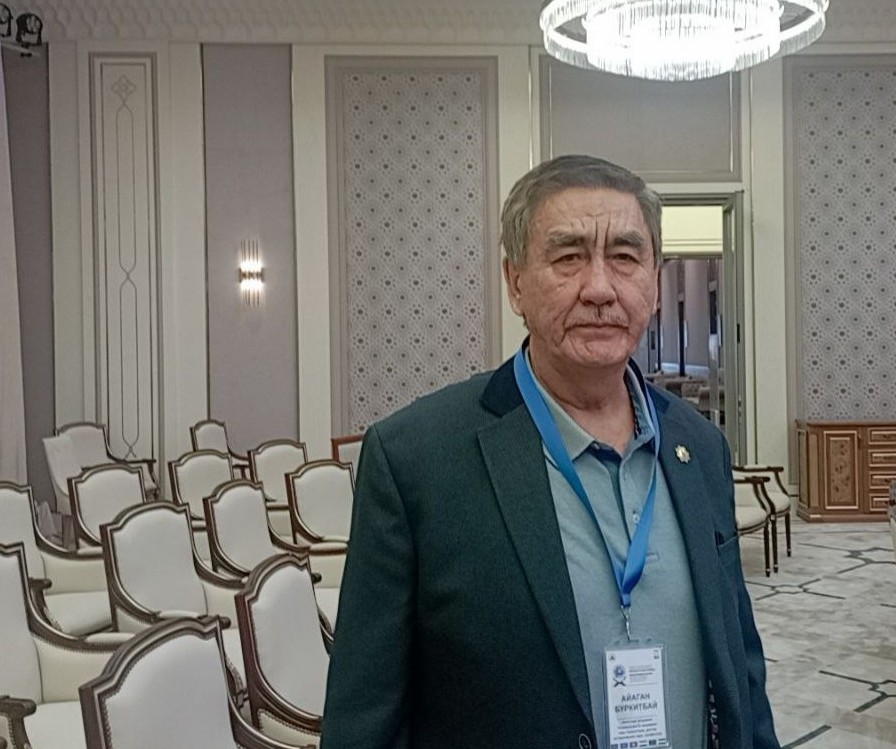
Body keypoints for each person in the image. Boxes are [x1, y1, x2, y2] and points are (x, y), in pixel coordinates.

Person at [321, 154, 778, 749]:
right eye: (568, 258)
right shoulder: (415, 459)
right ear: (515, 282)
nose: (600, 288)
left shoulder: (699, 445)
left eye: (625, 257)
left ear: (653, 282)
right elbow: (363, 721)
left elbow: (741, 671)